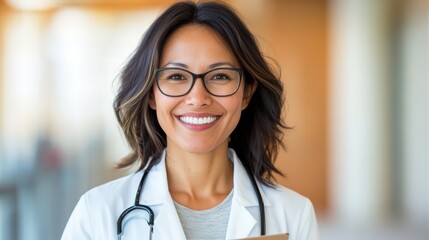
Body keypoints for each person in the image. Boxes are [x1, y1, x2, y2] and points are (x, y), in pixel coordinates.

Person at [61, 1, 319, 239]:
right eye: (176, 77)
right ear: (151, 94)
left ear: (246, 93)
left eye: (220, 76)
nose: (198, 98)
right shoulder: (97, 213)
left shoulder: (293, 215)